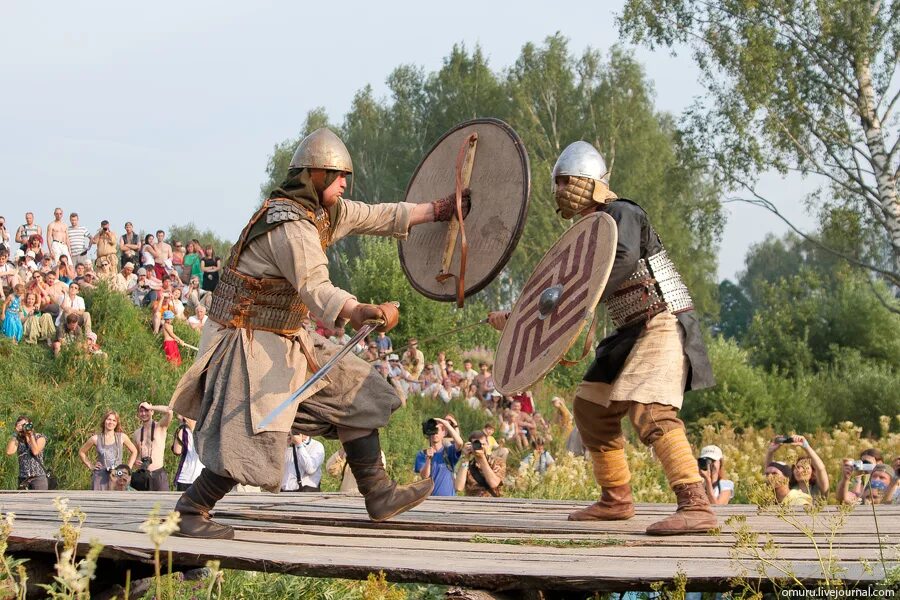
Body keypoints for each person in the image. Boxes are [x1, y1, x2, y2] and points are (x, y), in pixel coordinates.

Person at [169, 128, 467, 538]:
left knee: (359, 393)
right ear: (314, 176)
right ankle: (191, 510)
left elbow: (376, 215)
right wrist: (359, 310)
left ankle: (378, 493)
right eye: (337, 174)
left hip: (289, 341)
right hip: (246, 345)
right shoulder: (289, 225)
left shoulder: (323, 214)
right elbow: (316, 287)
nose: (345, 183)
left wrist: (437, 209)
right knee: (257, 436)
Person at [488, 141, 717, 535]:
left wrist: (580, 300)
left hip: (660, 322)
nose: (560, 190)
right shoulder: (588, 232)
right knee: (591, 407)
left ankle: (695, 504)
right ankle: (616, 499)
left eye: (565, 181)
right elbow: (557, 295)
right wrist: (518, 319)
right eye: (556, 183)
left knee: (651, 410)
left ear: (588, 181)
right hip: (630, 332)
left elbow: (623, 258)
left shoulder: (622, 212)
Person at [78, 411, 138, 491]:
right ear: (104, 421)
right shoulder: (95, 438)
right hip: (100, 477)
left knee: (117, 502)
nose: (111, 422)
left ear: (117, 423)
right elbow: (81, 452)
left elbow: (134, 451)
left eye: (114, 420)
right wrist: (91, 466)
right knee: (99, 502)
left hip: (118, 476)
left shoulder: (122, 437)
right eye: (109, 419)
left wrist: (128, 468)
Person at [763, 435, 829, 501]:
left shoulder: (818, 489)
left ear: (813, 471)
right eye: (797, 467)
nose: (799, 470)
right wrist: (770, 452)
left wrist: (806, 447)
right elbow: (770, 471)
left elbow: (821, 469)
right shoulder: (789, 489)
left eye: (804, 467)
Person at [415, 417, 464, 496]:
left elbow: (460, 443)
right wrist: (428, 459)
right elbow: (424, 476)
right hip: (430, 501)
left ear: (444, 433)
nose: (435, 433)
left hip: (449, 500)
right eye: (433, 430)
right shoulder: (422, 454)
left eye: (438, 430)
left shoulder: (449, 451)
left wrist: (446, 423)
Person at [132, 401, 173, 491]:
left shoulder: (160, 427)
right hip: (143, 475)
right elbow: (136, 454)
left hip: (158, 473)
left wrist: (151, 407)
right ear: (138, 414)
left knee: (160, 504)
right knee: (143, 504)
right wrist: (136, 462)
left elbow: (169, 411)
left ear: (152, 412)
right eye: (141, 411)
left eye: (146, 410)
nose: (144, 413)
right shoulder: (136, 433)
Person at [456, 430, 505, 497]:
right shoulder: (467, 465)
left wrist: (482, 458)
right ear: (470, 446)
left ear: (488, 445)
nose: (480, 446)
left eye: (483, 444)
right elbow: (458, 487)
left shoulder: (497, 462)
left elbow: (494, 484)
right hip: (472, 504)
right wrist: (465, 458)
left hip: (493, 504)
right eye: (476, 444)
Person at [6, 416, 49, 490]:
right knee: (23, 501)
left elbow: (35, 451)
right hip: (23, 478)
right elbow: (9, 452)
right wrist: (15, 434)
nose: (24, 427)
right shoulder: (18, 440)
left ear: (30, 424)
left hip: (38, 478)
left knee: (40, 501)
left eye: (25, 424)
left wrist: (30, 434)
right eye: (21, 426)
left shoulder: (40, 437)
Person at [172, 417, 205, 492]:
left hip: (200, 478)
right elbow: (177, 451)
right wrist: (180, 428)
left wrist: (192, 428)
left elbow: (201, 450)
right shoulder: (183, 431)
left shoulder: (203, 429)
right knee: (183, 503)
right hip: (184, 478)